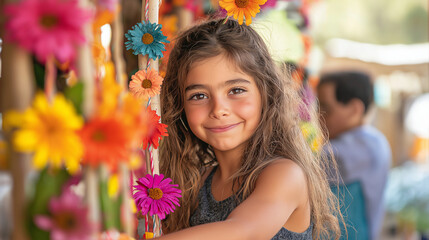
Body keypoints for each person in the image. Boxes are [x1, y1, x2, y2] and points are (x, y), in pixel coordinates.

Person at [157, 18, 341, 240]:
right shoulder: (200, 185)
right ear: (180, 107)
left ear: (265, 93)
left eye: (235, 90)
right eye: (199, 96)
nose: (219, 110)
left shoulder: (284, 175)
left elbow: (241, 231)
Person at [317, 71, 391, 240]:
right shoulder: (371, 141)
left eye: (326, 108)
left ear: (354, 109)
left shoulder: (365, 146)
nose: (318, 115)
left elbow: (305, 163)